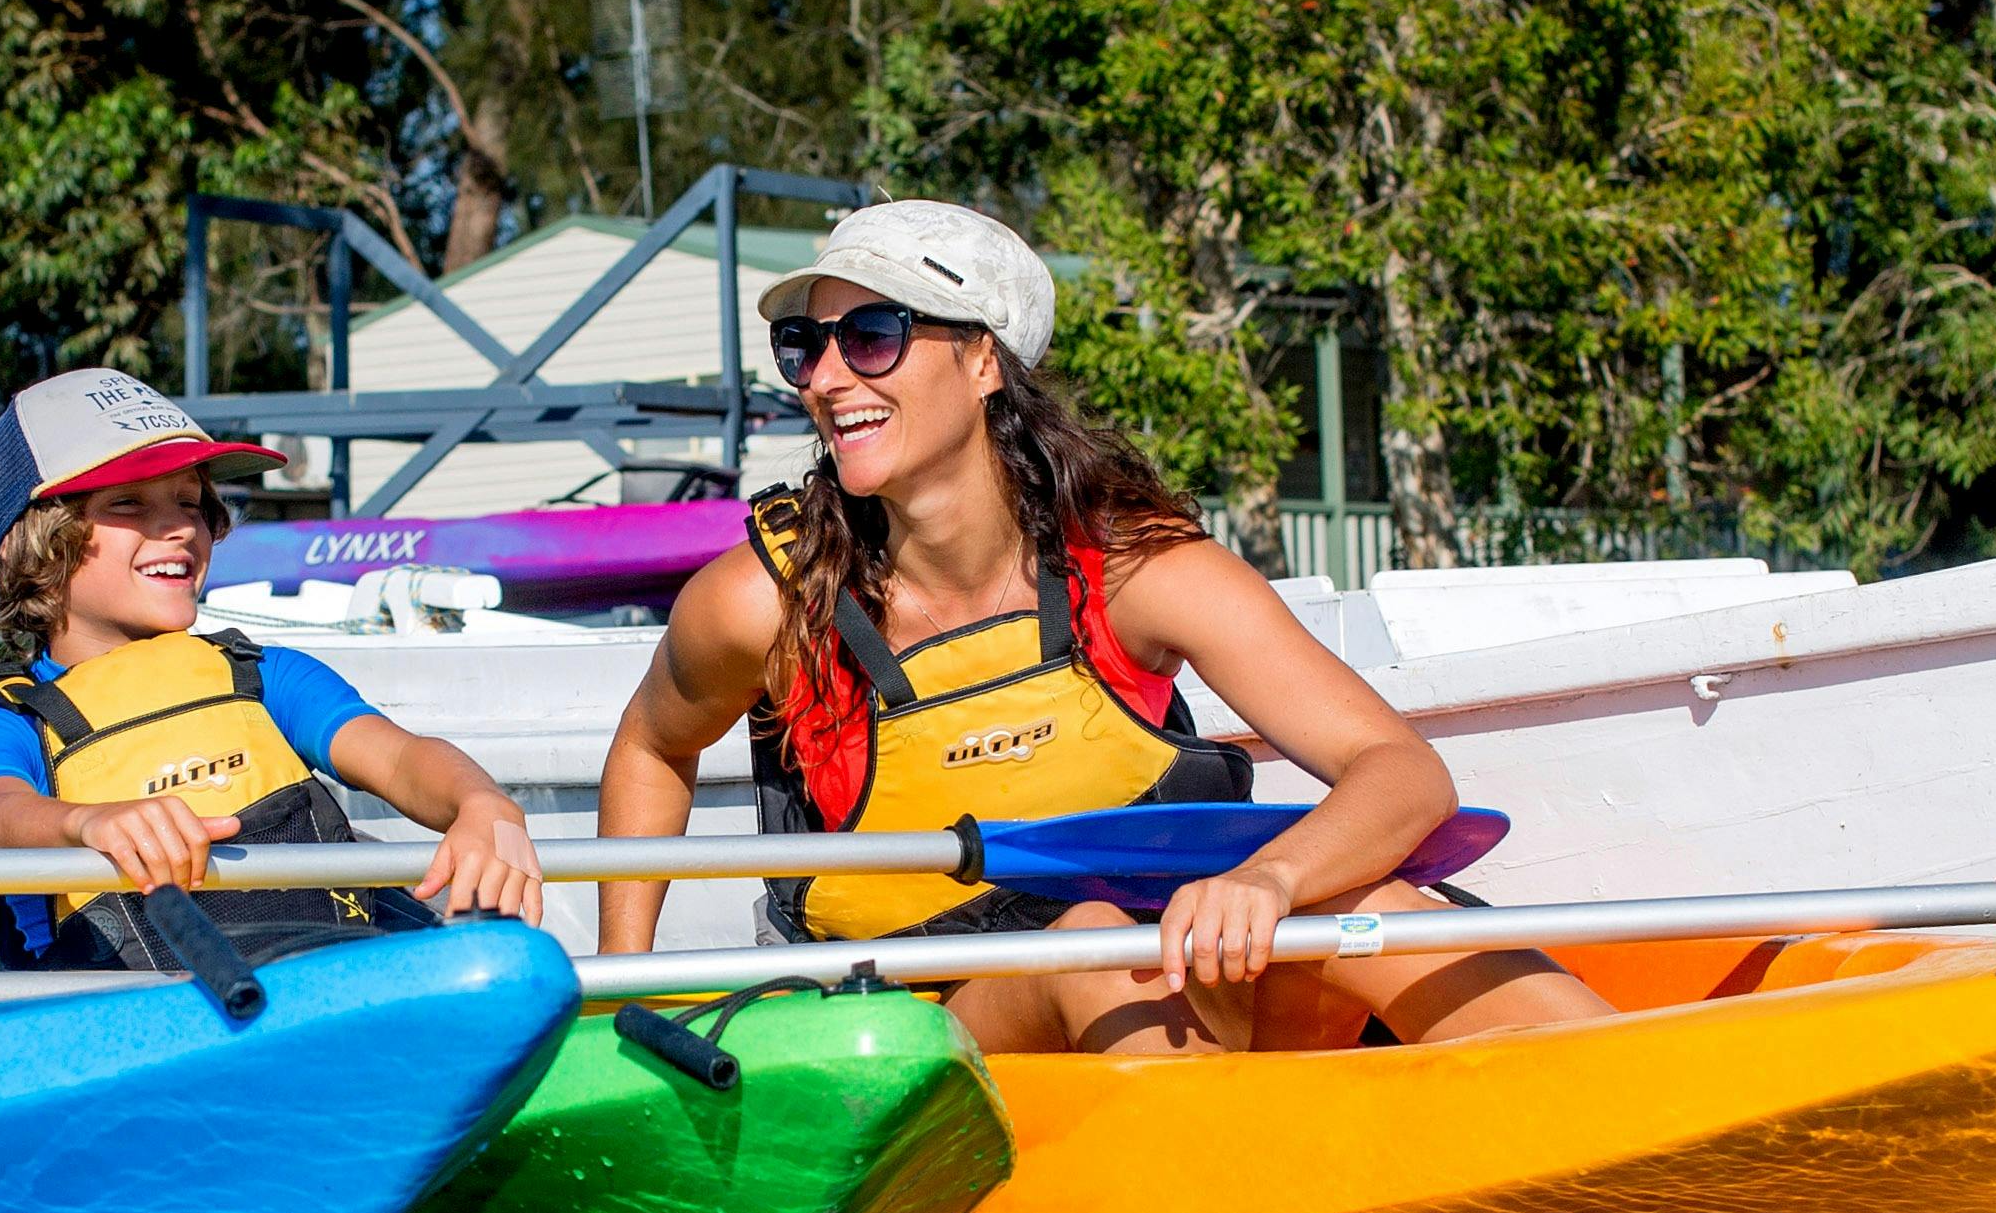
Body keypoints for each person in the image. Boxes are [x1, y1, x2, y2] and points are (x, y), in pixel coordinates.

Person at [595, 201, 1607, 1055]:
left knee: (1367, 907)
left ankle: (1641, 1103)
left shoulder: (1132, 568)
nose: (824, 377)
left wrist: (1270, 878)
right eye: (802, 345)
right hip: (916, 1039)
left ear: (982, 361)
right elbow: (651, 744)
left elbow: (1401, 772)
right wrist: (616, 1000)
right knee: (1084, 943)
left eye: (870, 335)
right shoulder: (763, 604)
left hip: (1160, 987)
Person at [0, 369, 545, 973]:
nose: (178, 528)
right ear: (30, 544)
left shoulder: (268, 678)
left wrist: (480, 801)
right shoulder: (7, 726)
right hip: (121, 1012)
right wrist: (87, 822)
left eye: (190, 502)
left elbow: (401, 759)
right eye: (128, 503)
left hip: (314, 981)